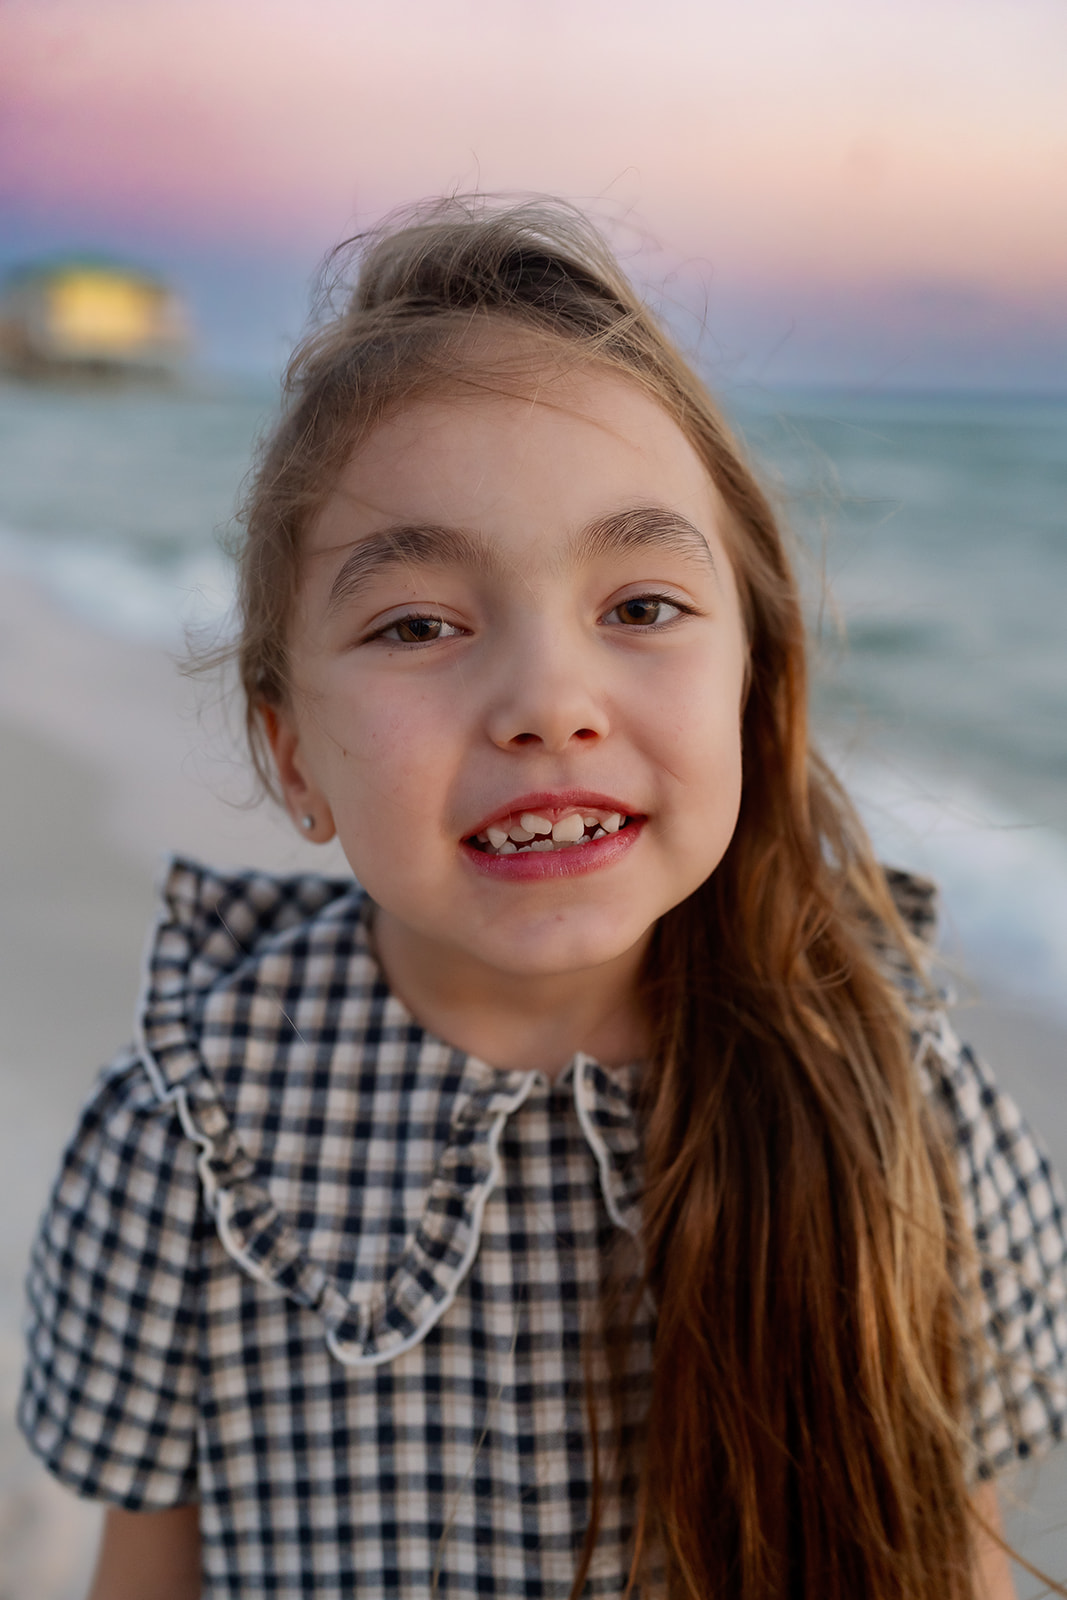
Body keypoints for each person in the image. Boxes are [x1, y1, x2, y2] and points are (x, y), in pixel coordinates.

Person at [19, 197, 1067, 1600]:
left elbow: (961, 1565)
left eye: (639, 606)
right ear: (290, 751)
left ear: (751, 680)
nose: (547, 704)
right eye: (419, 625)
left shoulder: (899, 1106)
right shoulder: (192, 1142)